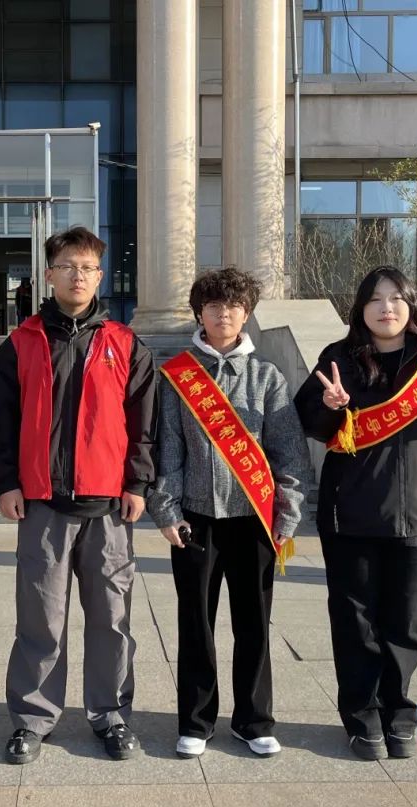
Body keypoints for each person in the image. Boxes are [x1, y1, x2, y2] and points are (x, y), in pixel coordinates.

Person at [293, 265, 417, 761]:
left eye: (396, 298)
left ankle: (399, 714)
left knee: (405, 623)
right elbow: (311, 422)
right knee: (355, 624)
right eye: (375, 299)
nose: (386, 308)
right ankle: (361, 717)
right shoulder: (338, 359)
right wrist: (332, 405)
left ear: (410, 305)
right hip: (351, 515)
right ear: (361, 309)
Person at [0, 226, 157, 764]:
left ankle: (111, 715)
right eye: (66, 266)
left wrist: (137, 483)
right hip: (43, 504)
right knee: (40, 619)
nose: (77, 276)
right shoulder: (22, 343)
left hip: (108, 507)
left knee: (111, 618)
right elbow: (0, 423)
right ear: (49, 274)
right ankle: (33, 719)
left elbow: (143, 424)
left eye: (87, 268)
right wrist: (7, 481)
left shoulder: (125, 343)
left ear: (100, 276)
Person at [147, 267, 311, 760]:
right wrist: (166, 510)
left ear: (247, 313)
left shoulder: (266, 377)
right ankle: (196, 722)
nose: (224, 314)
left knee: (254, 624)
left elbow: (289, 454)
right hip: (195, 520)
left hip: (254, 521)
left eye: (234, 306)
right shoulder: (177, 377)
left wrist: (287, 515)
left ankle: (253, 720)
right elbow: (169, 450)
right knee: (196, 624)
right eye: (214, 306)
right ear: (200, 313)